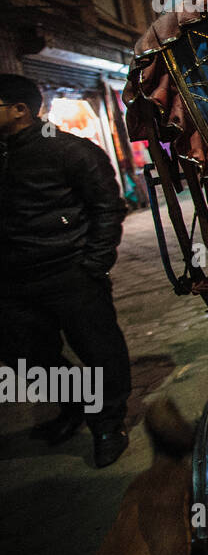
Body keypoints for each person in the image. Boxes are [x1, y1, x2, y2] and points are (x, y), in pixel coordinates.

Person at [0, 74, 131, 467]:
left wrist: (93, 263)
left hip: (70, 273)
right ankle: (74, 406)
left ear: (20, 110)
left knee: (99, 350)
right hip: (13, 280)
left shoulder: (71, 151)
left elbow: (108, 208)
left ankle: (108, 424)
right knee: (23, 355)